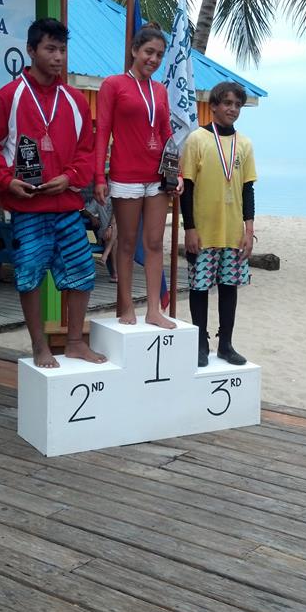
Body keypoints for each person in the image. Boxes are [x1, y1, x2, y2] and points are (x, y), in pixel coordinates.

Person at [0, 18, 106, 369]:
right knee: (29, 275)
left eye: (62, 49)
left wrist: (71, 177)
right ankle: (38, 347)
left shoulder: (75, 100)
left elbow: (86, 150)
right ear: (31, 51)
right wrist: (4, 181)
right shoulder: (10, 96)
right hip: (28, 209)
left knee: (82, 271)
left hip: (66, 205)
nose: (58, 57)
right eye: (50, 49)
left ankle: (75, 342)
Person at [94, 23, 183, 328]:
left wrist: (177, 172)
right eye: (148, 52)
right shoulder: (113, 84)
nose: (154, 59)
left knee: (155, 242)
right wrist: (98, 177)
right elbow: (102, 132)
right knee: (128, 242)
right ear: (134, 51)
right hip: (126, 174)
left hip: (157, 175)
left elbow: (166, 132)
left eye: (159, 54)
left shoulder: (159, 90)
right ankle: (126, 306)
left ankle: (154, 310)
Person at [180, 81, 257, 367]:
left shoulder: (245, 144)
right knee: (199, 288)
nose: (232, 109)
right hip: (203, 230)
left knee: (229, 287)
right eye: (227, 103)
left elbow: (248, 190)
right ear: (213, 106)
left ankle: (225, 344)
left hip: (233, 232)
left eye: (237, 105)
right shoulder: (197, 139)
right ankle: (201, 344)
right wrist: (189, 228)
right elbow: (186, 187)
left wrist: (249, 231)